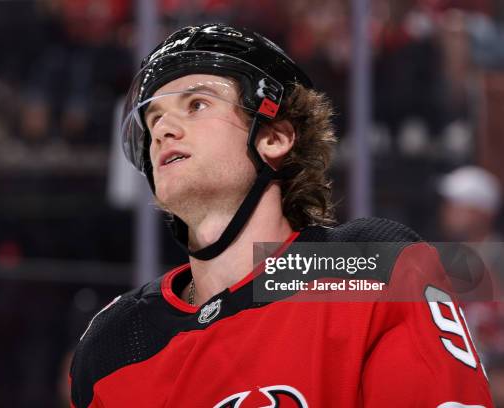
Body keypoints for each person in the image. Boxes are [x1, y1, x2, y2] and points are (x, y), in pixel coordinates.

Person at [70, 24, 493, 407]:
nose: (162, 130)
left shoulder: (371, 268)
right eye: (155, 118)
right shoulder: (114, 343)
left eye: (197, 104)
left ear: (274, 137)